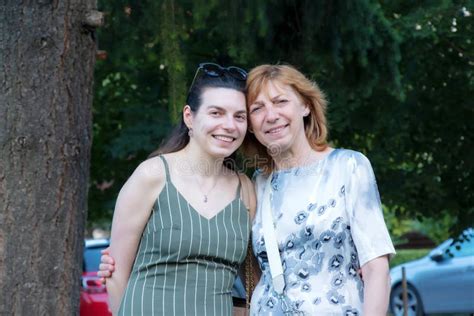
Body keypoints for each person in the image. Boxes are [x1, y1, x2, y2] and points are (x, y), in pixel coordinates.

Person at [100, 64, 395, 315]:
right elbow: (118, 271)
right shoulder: (255, 184)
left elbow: (375, 269)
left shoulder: (343, 168)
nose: (270, 115)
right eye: (257, 108)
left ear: (305, 105)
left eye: (280, 102)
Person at [104, 62, 256, 316]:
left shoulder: (246, 189)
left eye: (239, 116)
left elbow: (253, 285)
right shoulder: (152, 175)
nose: (230, 125)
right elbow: (115, 273)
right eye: (216, 113)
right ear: (189, 117)